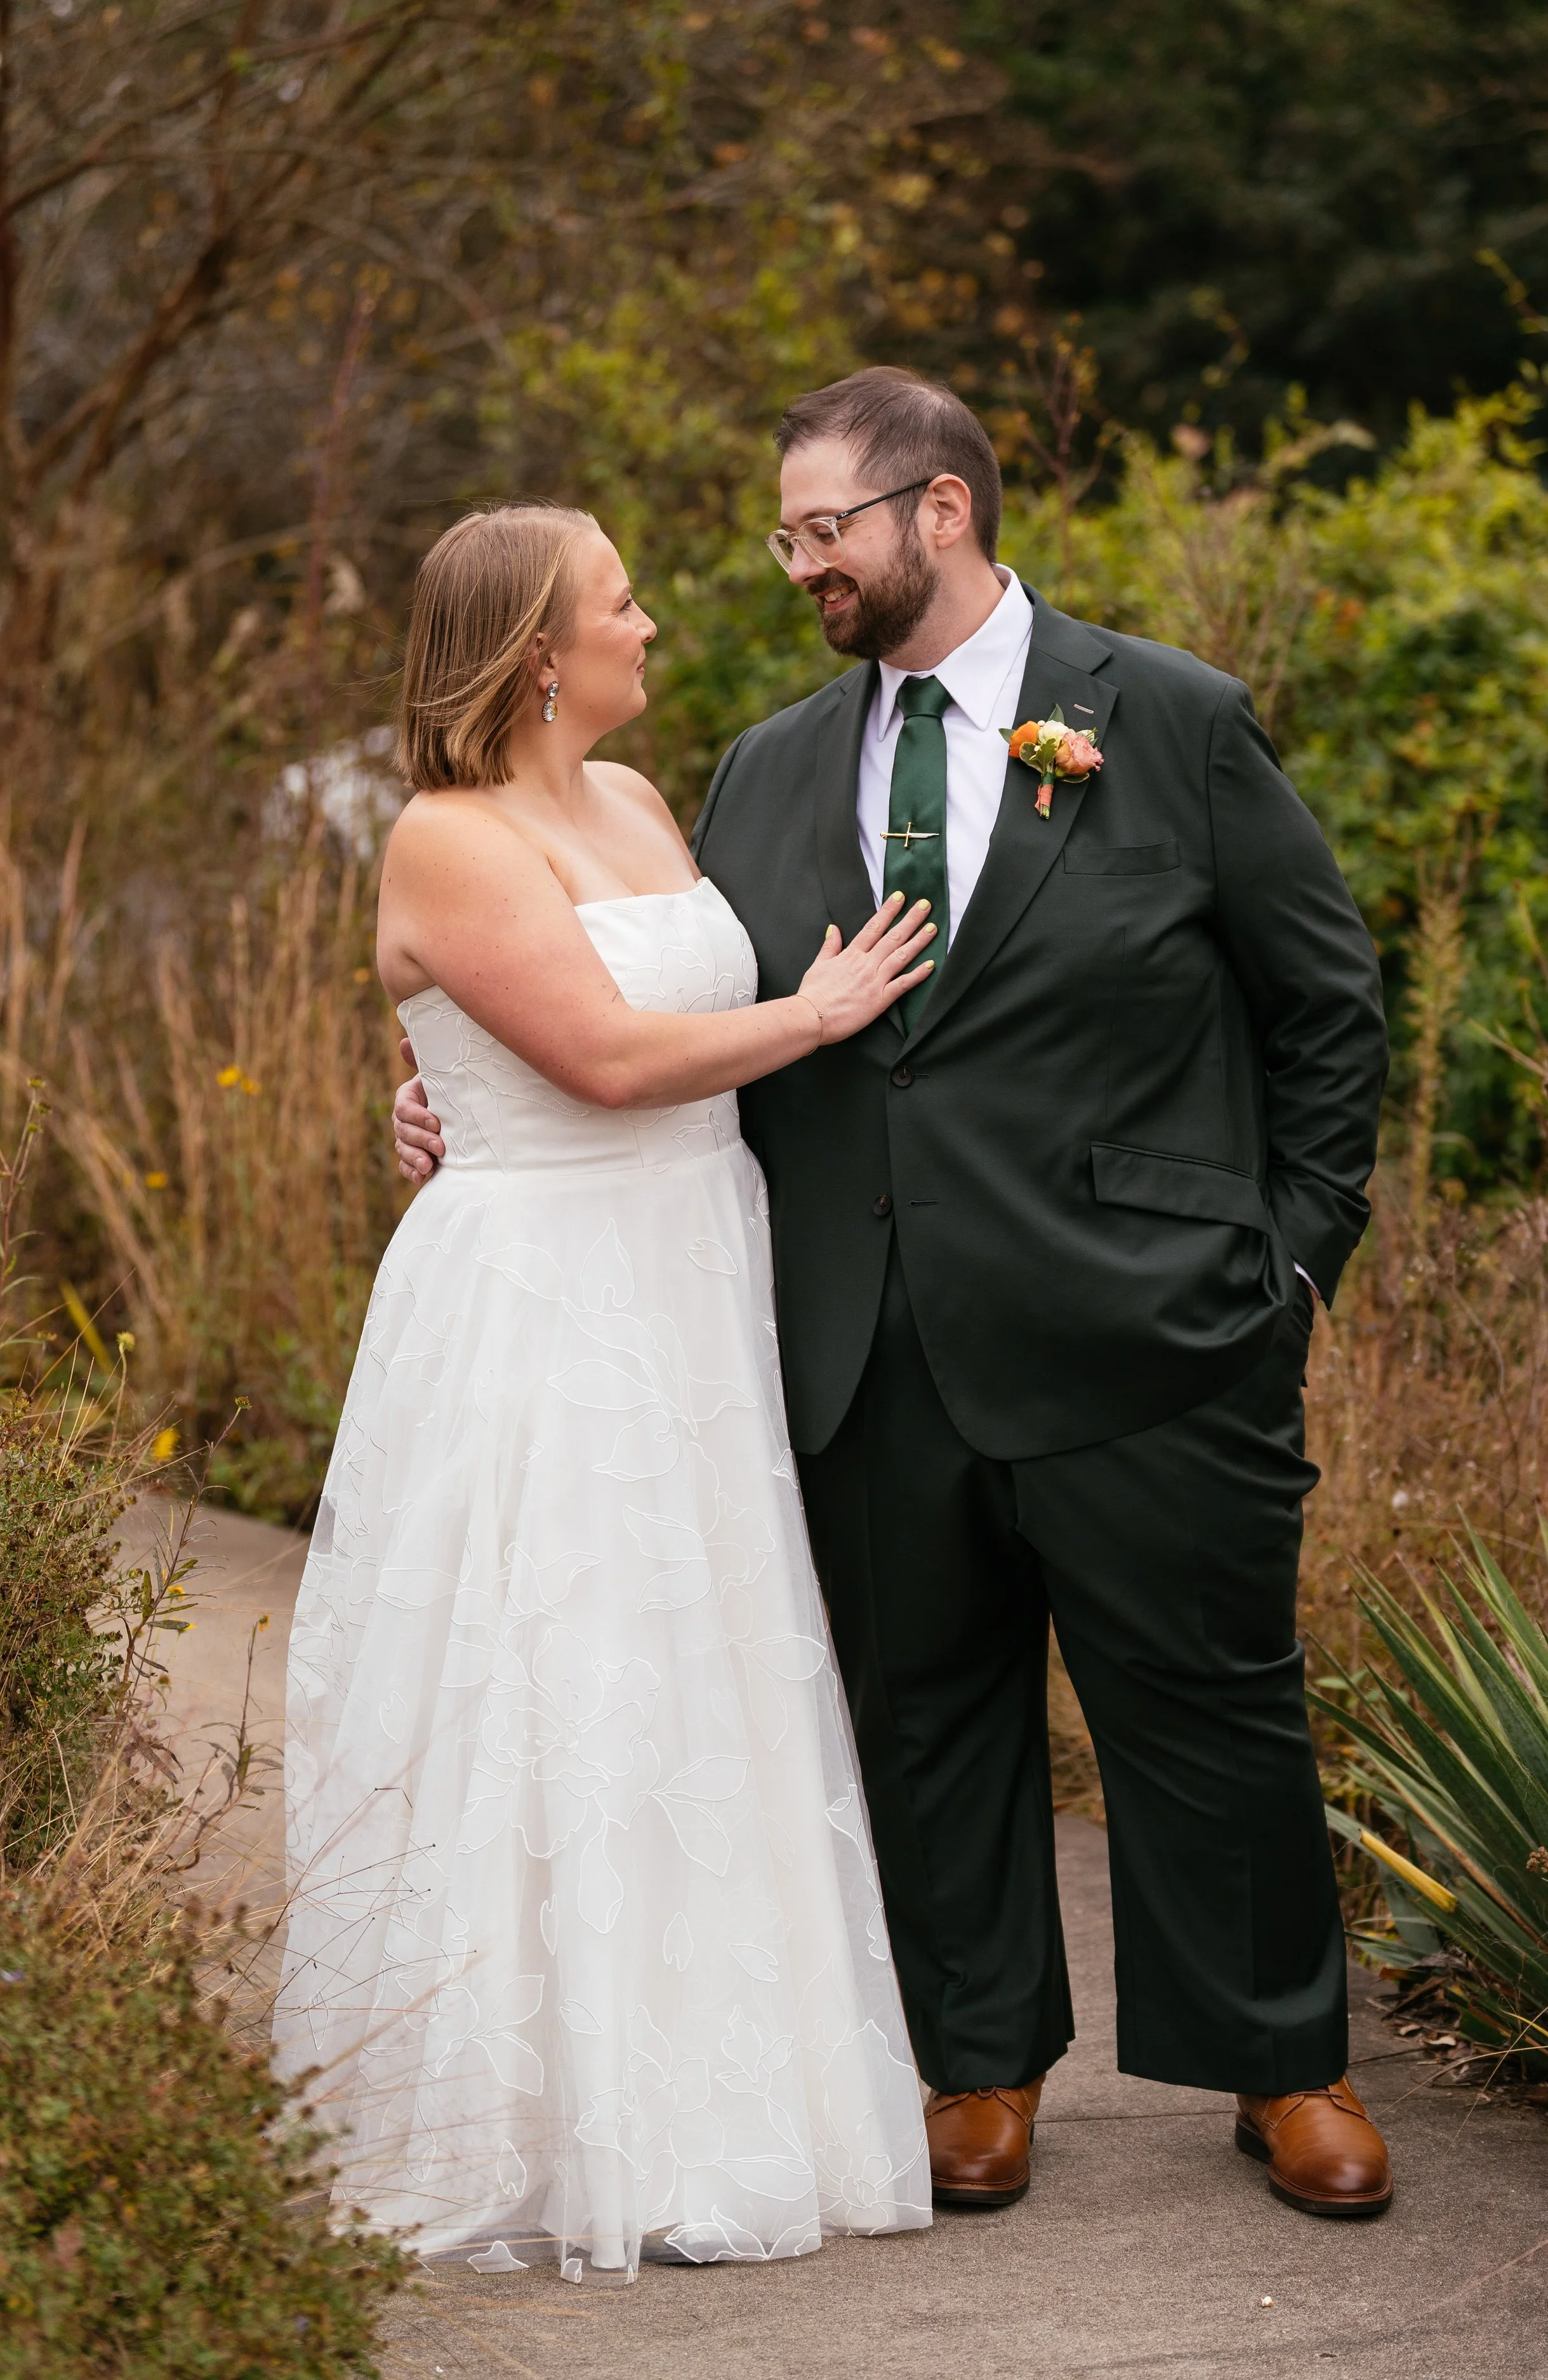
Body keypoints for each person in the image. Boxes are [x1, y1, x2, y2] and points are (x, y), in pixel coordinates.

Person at [397, 369, 1396, 2228]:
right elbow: (674, 1014)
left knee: (1208, 1704)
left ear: (936, 511)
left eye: (821, 528)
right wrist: (467, 1084)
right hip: (860, 1333)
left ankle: (1284, 2064)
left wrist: (1286, 1266)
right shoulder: (766, 764)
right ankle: (979, 2064)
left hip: (1148, 1328)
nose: (797, 565)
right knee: (925, 1715)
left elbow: (1324, 1006)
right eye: (787, 534)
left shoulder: (1164, 719)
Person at [274, 502, 937, 2280]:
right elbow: (604, 1051)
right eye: (619, 602)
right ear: (540, 651)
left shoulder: (639, 808)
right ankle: (545, 2118)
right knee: (553, 1669)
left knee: (691, 1671)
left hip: (686, 1271)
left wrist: (434, 1088)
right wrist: (822, 1008)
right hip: (547, 1301)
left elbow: (533, 1038)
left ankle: (719, 2094)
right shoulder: (449, 835)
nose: (650, 623)